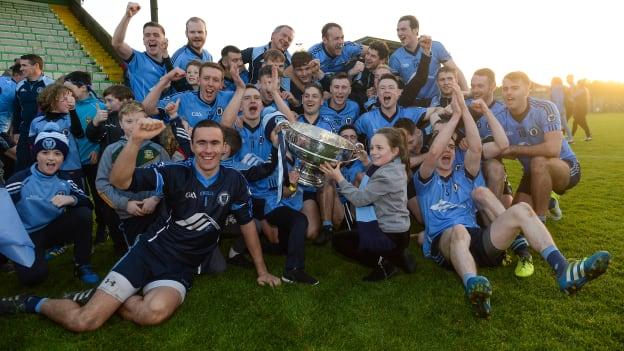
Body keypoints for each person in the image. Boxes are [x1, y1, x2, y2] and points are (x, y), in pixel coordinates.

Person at [0, 118, 281, 331]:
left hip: (180, 267)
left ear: (224, 148)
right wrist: (134, 141)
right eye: (202, 143)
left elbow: (246, 224)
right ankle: (34, 302)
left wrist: (262, 270)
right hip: (148, 253)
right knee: (85, 321)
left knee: (151, 315)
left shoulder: (234, 181)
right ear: (192, 146)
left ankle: (108, 294)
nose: (208, 150)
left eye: (214, 143)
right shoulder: (174, 172)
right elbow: (121, 182)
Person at [414, 86, 610, 317]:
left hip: (479, 242)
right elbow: (435, 152)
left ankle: (563, 269)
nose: (446, 150)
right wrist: (455, 114)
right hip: (446, 244)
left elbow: (476, 147)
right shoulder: (424, 179)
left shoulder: (464, 173)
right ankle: (473, 286)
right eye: (442, 146)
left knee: (521, 210)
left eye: (451, 146)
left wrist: (463, 113)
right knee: (458, 231)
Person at [5, 130, 98, 286]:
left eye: (57, 153)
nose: (51, 158)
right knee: (33, 278)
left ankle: (82, 264)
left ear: (63, 158)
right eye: (44, 152)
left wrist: (71, 198)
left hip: (52, 230)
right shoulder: (19, 180)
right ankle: (24, 256)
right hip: (27, 237)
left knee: (83, 214)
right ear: (36, 155)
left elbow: (87, 202)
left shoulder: (65, 180)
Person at [320, 127, 415, 281]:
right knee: (351, 236)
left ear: (395, 150)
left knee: (339, 242)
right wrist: (365, 161)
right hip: (399, 232)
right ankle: (399, 254)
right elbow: (377, 171)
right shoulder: (396, 166)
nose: (373, 152)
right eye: (371, 147)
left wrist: (339, 178)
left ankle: (385, 263)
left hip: (389, 234)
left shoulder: (386, 175)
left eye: (379, 148)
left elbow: (359, 199)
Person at [498, 72, 580, 222]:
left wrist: (515, 149)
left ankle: (540, 220)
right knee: (516, 218)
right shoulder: (500, 116)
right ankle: (549, 201)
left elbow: (553, 149)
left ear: (528, 89)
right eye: (505, 88)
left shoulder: (545, 108)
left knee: (538, 161)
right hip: (532, 173)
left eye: (515, 88)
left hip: (565, 166)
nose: (508, 92)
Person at [96, 101, 169, 248]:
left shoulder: (158, 150)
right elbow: (102, 184)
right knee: (137, 251)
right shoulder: (111, 151)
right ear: (120, 124)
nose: (135, 126)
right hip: (127, 215)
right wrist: (125, 204)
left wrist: (155, 199)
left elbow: (169, 179)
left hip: (157, 211)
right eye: (129, 121)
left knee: (161, 247)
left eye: (139, 121)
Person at [389, 15, 467, 106]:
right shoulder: (395, 57)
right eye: (398, 30)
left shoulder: (435, 46)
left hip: (437, 101)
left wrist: (467, 94)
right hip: (414, 104)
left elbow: (456, 71)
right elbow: (394, 85)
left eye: (403, 29)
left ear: (415, 30)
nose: (399, 33)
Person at [142, 63, 233, 126]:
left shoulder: (230, 97)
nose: (210, 83)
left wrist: (240, 88)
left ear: (221, 84)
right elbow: (147, 109)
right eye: (206, 78)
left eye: (216, 80)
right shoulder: (182, 99)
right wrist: (166, 79)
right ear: (198, 80)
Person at [28, 84, 84, 187]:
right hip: (45, 168)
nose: (70, 102)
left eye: (71, 98)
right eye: (66, 99)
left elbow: (79, 134)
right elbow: (32, 147)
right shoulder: (37, 122)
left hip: (70, 168)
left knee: (75, 197)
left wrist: (73, 110)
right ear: (53, 100)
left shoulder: (71, 118)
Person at [111, 2, 167, 101]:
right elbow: (117, 43)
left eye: (156, 35)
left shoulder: (171, 64)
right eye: (147, 35)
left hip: (167, 115)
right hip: (142, 114)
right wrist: (127, 17)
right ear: (143, 40)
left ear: (164, 40)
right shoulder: (137, 59)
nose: (151, 38)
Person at [355, 74, 429, 143]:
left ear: (398, 92)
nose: (387, 91)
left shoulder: (409, 113)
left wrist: (436, 123)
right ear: (377, 93)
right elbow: (349, 136)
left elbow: (438, 111)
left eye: (391, 87)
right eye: (382, 88)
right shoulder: (366, 119)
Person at [13, 54, 54, 171]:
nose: (21, 69)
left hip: (44, 131)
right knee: (22, 164)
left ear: (36, 66)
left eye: (24, 65)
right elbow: (17, 110)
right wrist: (16, 131)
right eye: (21, 65)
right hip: (25, 132)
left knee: (42, 165)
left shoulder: (50, 85)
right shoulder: (20, 86)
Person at [550, 77, 573, 143]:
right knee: (565, 124)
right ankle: (571, 138)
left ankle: (557, 138)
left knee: (554, 124)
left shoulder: (554, 88)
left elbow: (555, 99)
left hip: (556, 108)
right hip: (562, 108)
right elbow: (561, 99)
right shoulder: (563, 87)